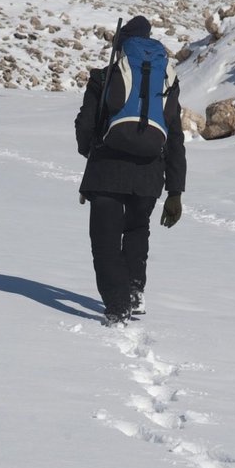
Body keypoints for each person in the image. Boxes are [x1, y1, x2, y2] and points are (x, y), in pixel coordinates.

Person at [75, 16, 186, 326]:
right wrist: (175, 191)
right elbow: (175, 137)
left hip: (107, 170)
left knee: (105, 240)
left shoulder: (104, 76)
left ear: (121, 46)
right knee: (137, 230)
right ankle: (135, 292)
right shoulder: (167, 82)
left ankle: (118, 304)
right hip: (150, 173)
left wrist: (91, 152)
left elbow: (85, 125)